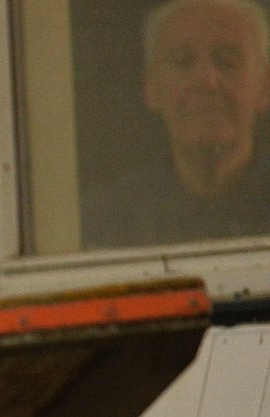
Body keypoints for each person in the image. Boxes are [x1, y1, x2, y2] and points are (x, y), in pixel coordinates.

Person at [83, 0, 270, 247]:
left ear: (264, 86)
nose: (206, 81)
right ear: (151, 87)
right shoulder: (104, 220)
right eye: (182, 61)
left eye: (227, 61)